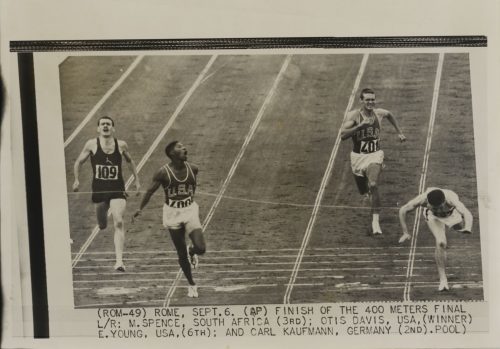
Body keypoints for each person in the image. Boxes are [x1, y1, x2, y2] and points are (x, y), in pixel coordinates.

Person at [133, 141, 206, 298]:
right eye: (180, 147)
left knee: (201, 248)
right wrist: (140, 208)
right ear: (172, 154)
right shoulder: (163, 173)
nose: (185, 148)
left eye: (184, 146)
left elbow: (192, 188)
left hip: (189, 210)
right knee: (181, 254)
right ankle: (192, 284)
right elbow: (150, 191)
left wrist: (185, 199)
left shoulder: (193, 169)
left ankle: (192, 251)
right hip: (172, 213)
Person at [73, 116, 141, 272]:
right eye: (102, 124)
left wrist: (136, 180)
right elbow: (78, 162)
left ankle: (119, 261)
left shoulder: (121, 145)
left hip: (117, 189)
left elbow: (130, 161)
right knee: (102, 225)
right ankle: (103, 222)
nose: (105, 126)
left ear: (113, 128)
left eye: (108, 124)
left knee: (118, 221)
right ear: (98, 128)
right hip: (99, 190)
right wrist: (76, 180)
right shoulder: (91, 144)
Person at [340, 88, 406, 235]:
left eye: (372, 99)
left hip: (374, 155)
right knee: (363, 191)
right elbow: (343, 135)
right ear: (361, 101)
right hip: (358, 158)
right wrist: (360, 127)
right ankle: (368, 192)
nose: (370, 102)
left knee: (374, 184)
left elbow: (390, 115)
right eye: (367, 99)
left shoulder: (379, 113)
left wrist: (399, 132)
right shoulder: (354, 116)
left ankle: (375, 222)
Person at [398, 187, 473, 291]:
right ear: (428, 203)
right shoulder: (422, 199)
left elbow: (466, 213)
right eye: (435, 208)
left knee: (458, 227)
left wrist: (468, 227)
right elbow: (403, 210)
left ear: (444, 202)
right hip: (434, 218)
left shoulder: (451, 199)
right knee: (441, 242)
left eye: (440, 207)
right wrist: (405, 232)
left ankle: (456, 227)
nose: (438, 209)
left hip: (452, 214)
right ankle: (443, 280)